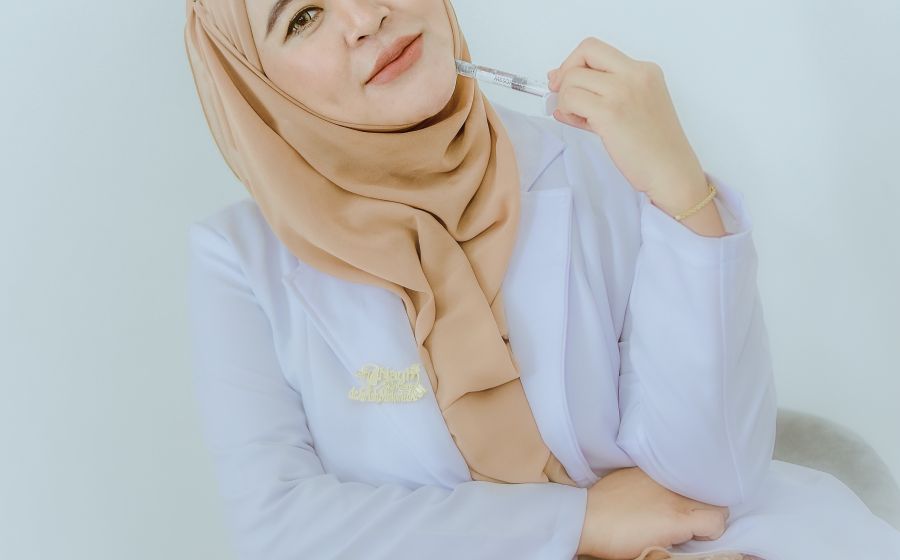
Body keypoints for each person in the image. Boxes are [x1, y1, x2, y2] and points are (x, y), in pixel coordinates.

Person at [183, 0, 900, 558]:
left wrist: (681, 191)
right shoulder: (238, 261)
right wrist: (576, 522)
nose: (367, 16)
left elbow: (710, 474)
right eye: (303, 16)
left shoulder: (596, 155)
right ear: (255, 85)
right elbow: (279, 528)